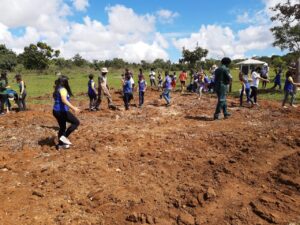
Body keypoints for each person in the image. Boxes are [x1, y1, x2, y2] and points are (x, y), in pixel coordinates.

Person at [52, 76, 80, 149]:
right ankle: (63, 137)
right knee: (76, 122)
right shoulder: (63, 89)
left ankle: (60, 145)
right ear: (65, 82)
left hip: (56, 111)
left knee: (62, 127)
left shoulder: (57, 88)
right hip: (61, 111)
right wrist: (73, 108)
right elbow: (64, 100)